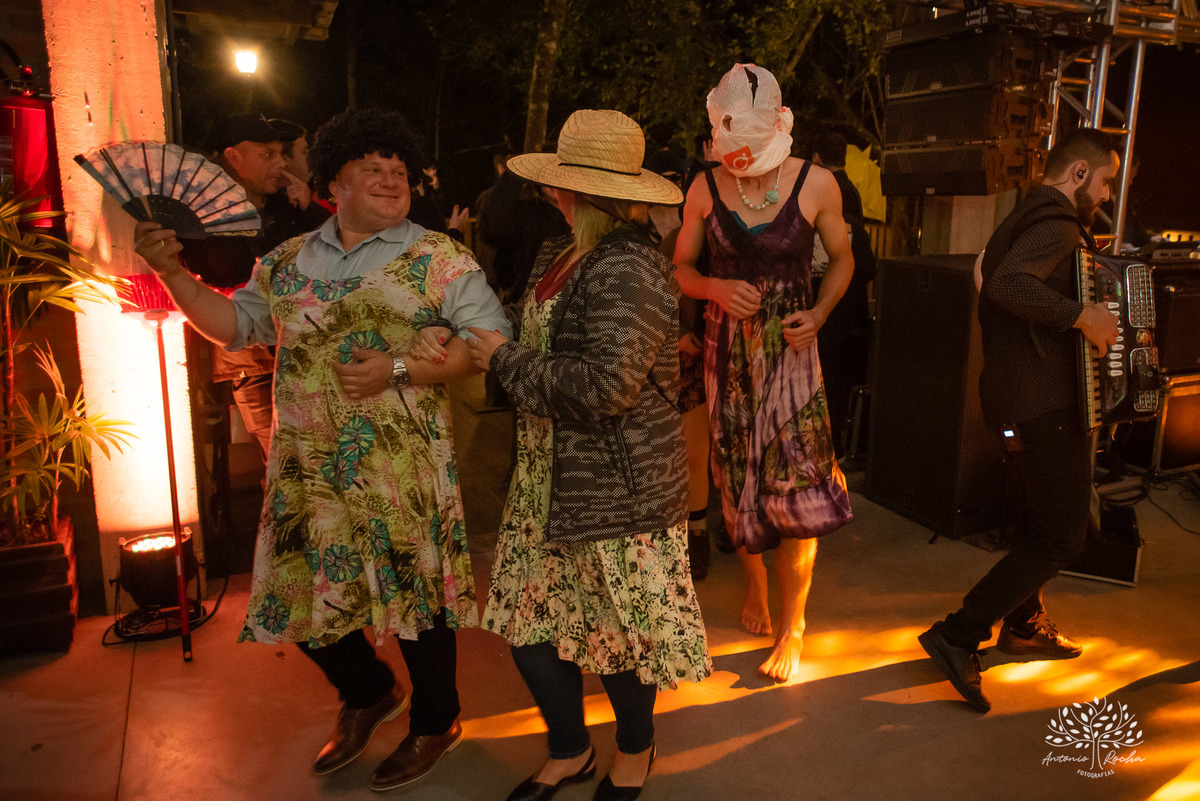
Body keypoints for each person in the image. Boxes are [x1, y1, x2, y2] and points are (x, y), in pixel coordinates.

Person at [133, 108, 510, 789]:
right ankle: (369, 691)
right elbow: (234, 327)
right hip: (308, 466)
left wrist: (401, 368)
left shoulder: (439, 257)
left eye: (399, 170)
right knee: (299, 597)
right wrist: (173, 276)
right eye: (373, 168)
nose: (391, 180)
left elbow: (486, 344)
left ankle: (435, 720)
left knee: (416, 602)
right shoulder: (286, 260)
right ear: (335, 182)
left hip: (401, 465)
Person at [419, 109, 711, 801]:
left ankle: (635, 749)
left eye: (559, 181)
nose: (549, 191)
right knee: (527, 628)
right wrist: (453, 333)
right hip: (546, 480)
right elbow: (524, 334)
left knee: (620, 641)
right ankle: (571, 749)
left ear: (577, 189)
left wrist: (505, 358)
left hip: (617, 490)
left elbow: (607, 388)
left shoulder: (629, 266)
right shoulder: (563, 250)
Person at [918, 128, 1121, 713]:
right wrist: (1082, 316)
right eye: (1104, 181)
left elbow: (994, 276)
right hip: (1043, 406)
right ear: (1078, 173)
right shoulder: (1057, 225)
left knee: (1039, 522)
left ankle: (1025, 624)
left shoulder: (1023, 215)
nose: (1106, 194)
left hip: (1018, 399)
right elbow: (1007, 285)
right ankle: (959, 634)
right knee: (1062, 535)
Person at [673, 64, 855, 682]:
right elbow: (680, 270)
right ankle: (755, 585)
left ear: (778, 127)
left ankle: (794, 622)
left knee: (797, 482)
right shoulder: (703, 187)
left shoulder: (816, 183)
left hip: (793, 353)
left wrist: (820, 313)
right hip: (728, 355)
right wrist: (714, 289)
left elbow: (843, 259)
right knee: (736, 480)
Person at [180, 112, 323, 458]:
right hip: (254, 362)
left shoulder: (288, 206)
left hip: (310, 352)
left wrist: (309, 210)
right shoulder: (204, 212)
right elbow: (221, 274)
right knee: (282, 460)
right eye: (267, 154)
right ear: (234, 157)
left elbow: (334, 256)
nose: (281, 163)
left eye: (281, 153)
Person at [810, 130, 876, 456]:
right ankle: (831, 447)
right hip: (849, 309)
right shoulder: (851, 192)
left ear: (816, 158)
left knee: (826, 379)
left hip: (833, 309)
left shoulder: (827, 195)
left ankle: (825, 447)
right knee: (836, 381)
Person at [269, 117, 335, 222]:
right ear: (283, 159)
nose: (310, 158)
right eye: (304, 152)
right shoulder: (269, 210)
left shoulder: (305, 200)